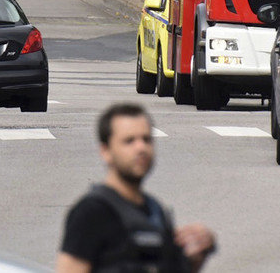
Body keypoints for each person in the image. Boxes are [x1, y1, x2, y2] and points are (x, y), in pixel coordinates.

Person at [58, 103, 216, 273]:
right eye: (129, 141)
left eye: (146, 139)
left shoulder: (156, 211)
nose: (141, 148)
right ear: (106, 151)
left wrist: (196, 255)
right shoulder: (91, 213)